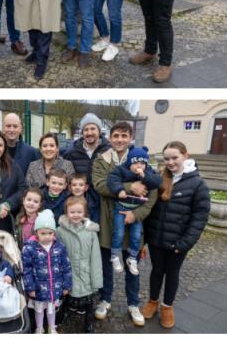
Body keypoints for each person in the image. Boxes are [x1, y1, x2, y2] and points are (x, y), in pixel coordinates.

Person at [91, 121, 155, 326]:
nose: (119, 139)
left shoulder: (141, 159)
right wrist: (131, 187)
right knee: (107, 266)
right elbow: (100, 185)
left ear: (130, 138)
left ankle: (133, 303)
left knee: (132, 265)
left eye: (124, 136)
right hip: (108, 221)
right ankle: (106, 299)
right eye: (116, 136)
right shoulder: (101, 159)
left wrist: (136, 215)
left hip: (133, 219)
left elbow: (152, 191)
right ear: (110, 138)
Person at [140, 141, 210, 329]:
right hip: (156, 239)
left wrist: (185, 242)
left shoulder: (197, 184)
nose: (170, 162)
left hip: (178, 242)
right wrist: (143, 239)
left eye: (174, 158)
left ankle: (166, 307)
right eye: (167, 159)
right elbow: (149, 209)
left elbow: (200, 216)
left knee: (172, 274)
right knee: (156, 271)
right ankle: (153, 301)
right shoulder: (160, 179)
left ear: (185, 156)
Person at [106, 145, 161, 276]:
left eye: (142, 163)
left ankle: (132, 258)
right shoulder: (121, 170)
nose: (139, 166)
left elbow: (156, 182)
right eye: (135, 162)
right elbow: (112, 180)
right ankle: (114, 255)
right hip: (120, 207)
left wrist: (143, 176)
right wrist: (119, 190)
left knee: (136, 235)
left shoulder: (149, 173)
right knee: (118, 233)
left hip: (136, 210)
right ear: (129, 162)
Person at [56, 196, 102, 333]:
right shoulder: (60, 231)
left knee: (88, 300)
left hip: (86, 271)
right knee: (66, 296)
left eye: (79, 212)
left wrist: (97, 280)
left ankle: (89, 321)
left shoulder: (91, 232)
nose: (76, 215)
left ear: (84, 213)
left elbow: (96, 257)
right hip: (68, 271)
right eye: (72, 212)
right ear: (66, 213)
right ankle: (61, 316)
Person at [22, 209, 72, 334]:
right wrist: (30, 287)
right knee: (39, 309)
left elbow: (66, 266)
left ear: (54, 232)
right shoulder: (29, 248)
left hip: (54, 287)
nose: (47, 236)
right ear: (36, 232)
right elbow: (26, 269)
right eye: (43, 233)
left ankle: (52, 326)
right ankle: (39, 327)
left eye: (50, 233)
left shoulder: (59, 247)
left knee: (51, 309)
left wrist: (67, 284)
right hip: (38, 288)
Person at [62, 112, 110, 225]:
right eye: (86, 129)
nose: (89, 133)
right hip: (77, 204)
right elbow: (65, 177)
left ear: (99, 131)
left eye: (93, 129)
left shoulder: (108, 150)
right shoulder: (72, 152)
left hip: (101, 203)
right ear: (82, 132)